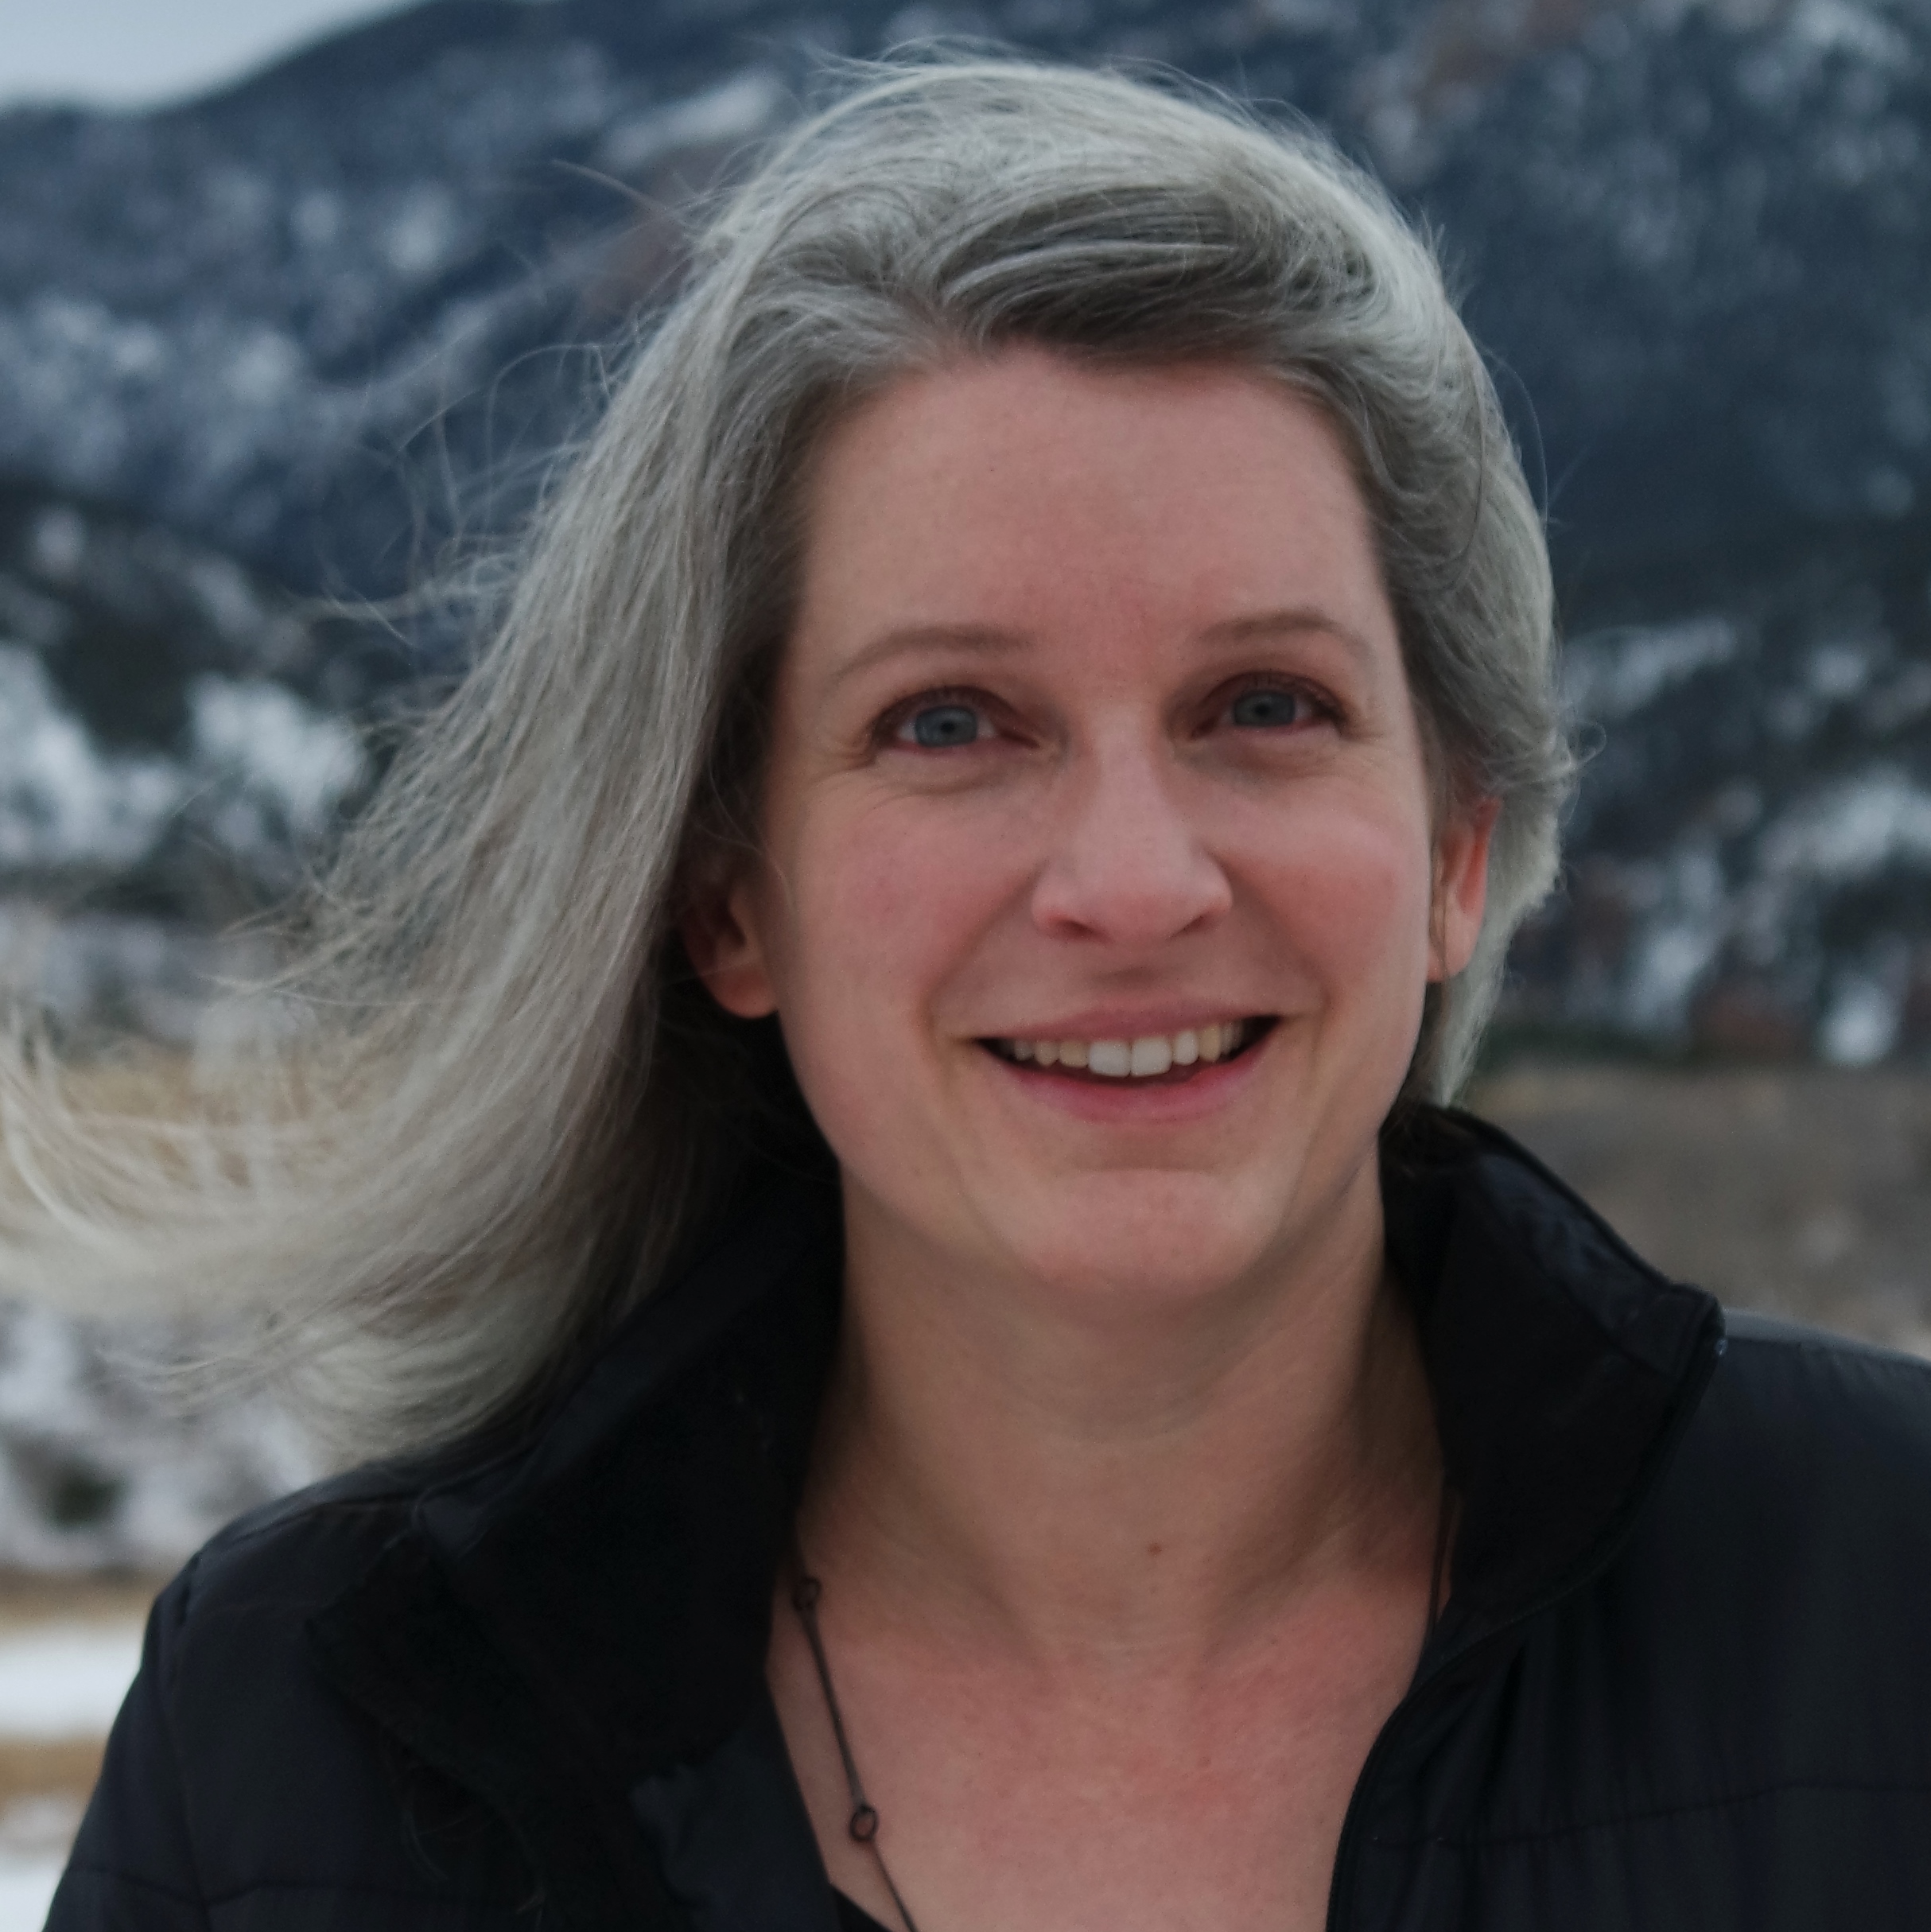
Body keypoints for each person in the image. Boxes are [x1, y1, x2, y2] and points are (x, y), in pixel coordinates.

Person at [30, 56, 1931, 1932]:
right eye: (949, 723)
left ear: (1451, 848)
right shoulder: (310, 1751)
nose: (1133, 884)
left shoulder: (1879, 1601)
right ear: (727, 901)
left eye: (1264, 704)